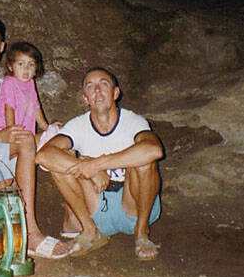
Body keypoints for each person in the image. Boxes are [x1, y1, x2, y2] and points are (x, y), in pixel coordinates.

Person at [0, 15, 72, 259]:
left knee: (58, 140)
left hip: (4, 151)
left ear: (2, 47)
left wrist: (50, 130)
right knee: (26, 141)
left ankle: (74, 221)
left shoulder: (10, 83)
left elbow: (29, 115)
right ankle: (31, 231)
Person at [36, 67, 164, 260]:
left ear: (115, 93)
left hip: (135, 206)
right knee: (59, 163)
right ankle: (90, 230)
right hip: (98, 207)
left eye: (103, 84)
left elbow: (154, 150)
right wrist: (86, 167)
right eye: (90, 86)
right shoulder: (77, 125)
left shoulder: (133, 121)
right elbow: (44, 155)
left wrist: (97, 165)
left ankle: (142, 232)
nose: (97, 90)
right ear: (85, 98)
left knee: (144, 161)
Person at [0, 41, 62, 151]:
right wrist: (11, 131)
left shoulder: (30, 83)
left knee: (55, 133)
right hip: (4, 132)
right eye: (20, 64)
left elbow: (35, 107)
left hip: (24, 135)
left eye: (31, 65)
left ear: (36, 69)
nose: (26, 69)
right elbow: (9, 108)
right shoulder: (9, 83)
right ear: (11, 67)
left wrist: (46, 127)